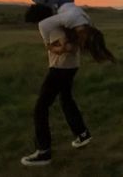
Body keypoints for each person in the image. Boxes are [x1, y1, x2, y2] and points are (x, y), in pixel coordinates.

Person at [21, 28, 91, 166]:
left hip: (60, 69)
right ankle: (82, 134)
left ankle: (43, 152)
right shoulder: (62, 25)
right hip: (70, 67)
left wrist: (53, 48)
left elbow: (70, 47)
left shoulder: (54, 29)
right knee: (66, 99)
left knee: (40, 108)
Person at [25, 0, 116, 63]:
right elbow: (43, 25)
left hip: (62, 4)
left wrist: (50, 45)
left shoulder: (87, 23)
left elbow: (43, 25)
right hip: (59, 3)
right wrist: (48, 45)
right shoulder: (71, 19)